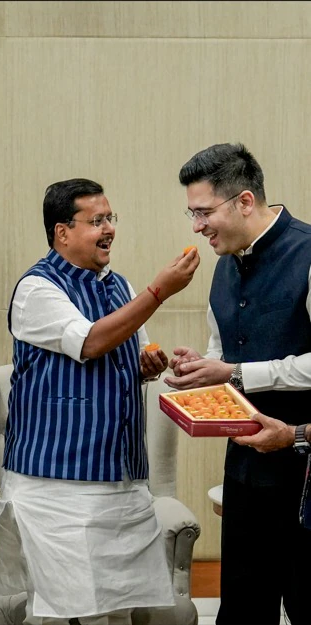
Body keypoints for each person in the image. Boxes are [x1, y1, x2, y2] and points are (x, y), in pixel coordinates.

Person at [0, 178, 199, 624]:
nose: (109, 229)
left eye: (110, 218)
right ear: (62, 231)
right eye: (96, 220)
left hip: (121, 479)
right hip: (56, 486)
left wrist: (146, 366)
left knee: (118, 611)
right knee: (59, 612)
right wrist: (158, 291)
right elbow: (91, 342)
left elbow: (127, 355)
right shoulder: (37, 288)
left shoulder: (119, 285)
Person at [164, 142, 311, 625]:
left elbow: (239, 368)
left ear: (245, 201)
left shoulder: (308, 252)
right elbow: (222, 352)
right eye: (192, 212)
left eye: (204, 212)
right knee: (243, 609)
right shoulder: (223, 264)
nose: (197, 226)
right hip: (246, 469)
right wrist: (200, 369)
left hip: (305, 466)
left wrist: (237, 373)